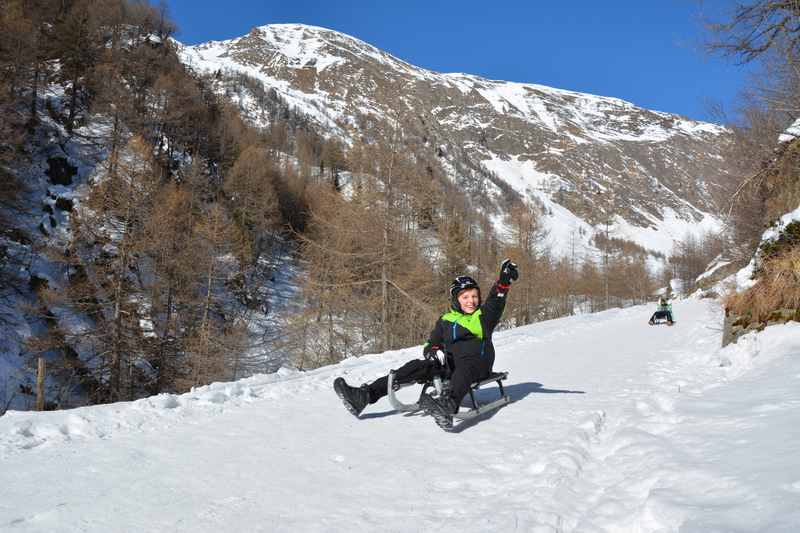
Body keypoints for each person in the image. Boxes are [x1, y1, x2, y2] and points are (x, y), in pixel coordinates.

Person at [333, 259, 519, 429]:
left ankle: (448, 405)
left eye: (474, 296)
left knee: (465, 369)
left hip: (478, 364)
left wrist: (503, 283)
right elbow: (432, 342)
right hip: (450, 365)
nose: (471, 301)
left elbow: (495, 303)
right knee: (418, 366)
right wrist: (432, 351)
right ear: (456, 299)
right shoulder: (445, 320)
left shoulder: (483, 317)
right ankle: (364, 396)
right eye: (465, 297)